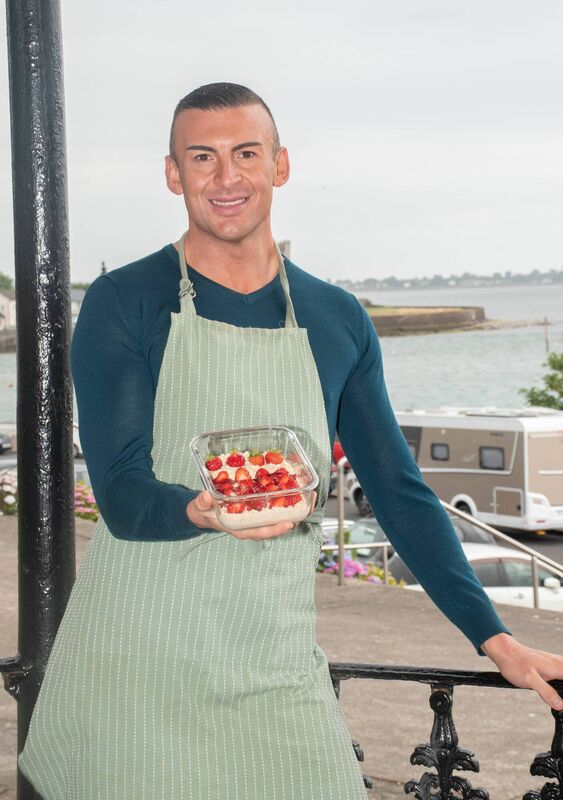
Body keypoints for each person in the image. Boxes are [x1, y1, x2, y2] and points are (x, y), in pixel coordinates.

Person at [18, 82, 563, 800]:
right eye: (202, 157)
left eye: (246, 153)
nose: (226, 177)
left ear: (279, 164)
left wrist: (493, 637)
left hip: (271, 660)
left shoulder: (336, 317)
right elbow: (119, 492)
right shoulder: (125, 301)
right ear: (173, 174)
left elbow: (397, 491)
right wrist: (203, 509)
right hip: (139, 656)